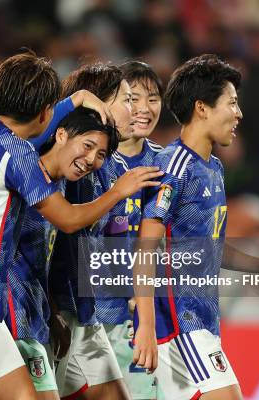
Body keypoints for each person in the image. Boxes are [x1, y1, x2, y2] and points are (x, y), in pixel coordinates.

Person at [0, 52, 162, 400]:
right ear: (47, 113)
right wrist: (119, 191)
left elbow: (33, 130)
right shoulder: (18, 155)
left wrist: (73, 100)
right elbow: (68, 218)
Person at [132, 54, 259, 400]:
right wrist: (145, 325)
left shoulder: (214, 169)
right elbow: (146, 247)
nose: (239, 114)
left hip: (203, 321)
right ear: (202, 108)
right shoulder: (172, 166)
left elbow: (210, 247)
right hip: (176, 322)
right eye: (232, 104)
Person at [6, 107, 119, 400]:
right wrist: (119, 192)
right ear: (60, 134)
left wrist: (53, 312)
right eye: (88, 146)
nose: (92, 160)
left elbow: (39, 264)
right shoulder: (26, 177)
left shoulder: (59, 186)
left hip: (36, 316)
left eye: (101, 155)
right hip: (10, 318)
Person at [49, 62, 136, 400]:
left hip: (82, 309)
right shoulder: (65, 163)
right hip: (53, 306)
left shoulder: (110, 164)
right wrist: (54, 306)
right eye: (127, 100)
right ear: (97, 105)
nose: (136, 109)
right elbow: (59, 235)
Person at [100, 60, 165, 400]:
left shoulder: (166, 165)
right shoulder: (93, 161)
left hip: (146, 318)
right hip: (93, 316)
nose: (143, 108)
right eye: (133, 98)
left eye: (152, 98)